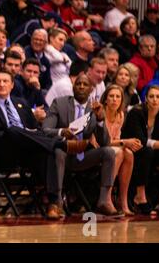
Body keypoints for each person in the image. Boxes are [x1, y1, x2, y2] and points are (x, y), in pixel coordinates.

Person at [43, 73, 118, 219]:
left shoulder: (94, 108)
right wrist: (62, 132)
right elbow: (45, 130)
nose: (81, 87)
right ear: (73, 87)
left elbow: (105, 142)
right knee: (58, 151)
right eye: (78, 84)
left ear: (91, 89)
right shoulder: (59, 103)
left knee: (109, 152)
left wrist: (101, 120)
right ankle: (56, 203)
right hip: (62, 154)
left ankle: (103, 201)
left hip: (83, 156)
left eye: (85, 84)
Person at [121, 85, 159, 215]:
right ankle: (140, 196)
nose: (154, 100)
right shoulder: (136, 112)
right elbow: (140, 141)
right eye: (151, 96)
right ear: (145, 99)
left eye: (158, 97)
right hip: (133, 149)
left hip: (152, 152)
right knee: (147, 151)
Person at [101, 84, 141, 215]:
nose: (114, 99)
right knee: (118, 152)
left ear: (121, 100)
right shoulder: (100, 114)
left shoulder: (120, 115)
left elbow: (116, 140)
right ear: (105, 99)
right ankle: (106, 198)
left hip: (111, 149)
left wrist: (127, 144)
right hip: (98, 150)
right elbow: (103, 142)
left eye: (117, 97)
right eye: (111, 96)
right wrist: (125, 142)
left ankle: (122, 201)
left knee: (128, 153)